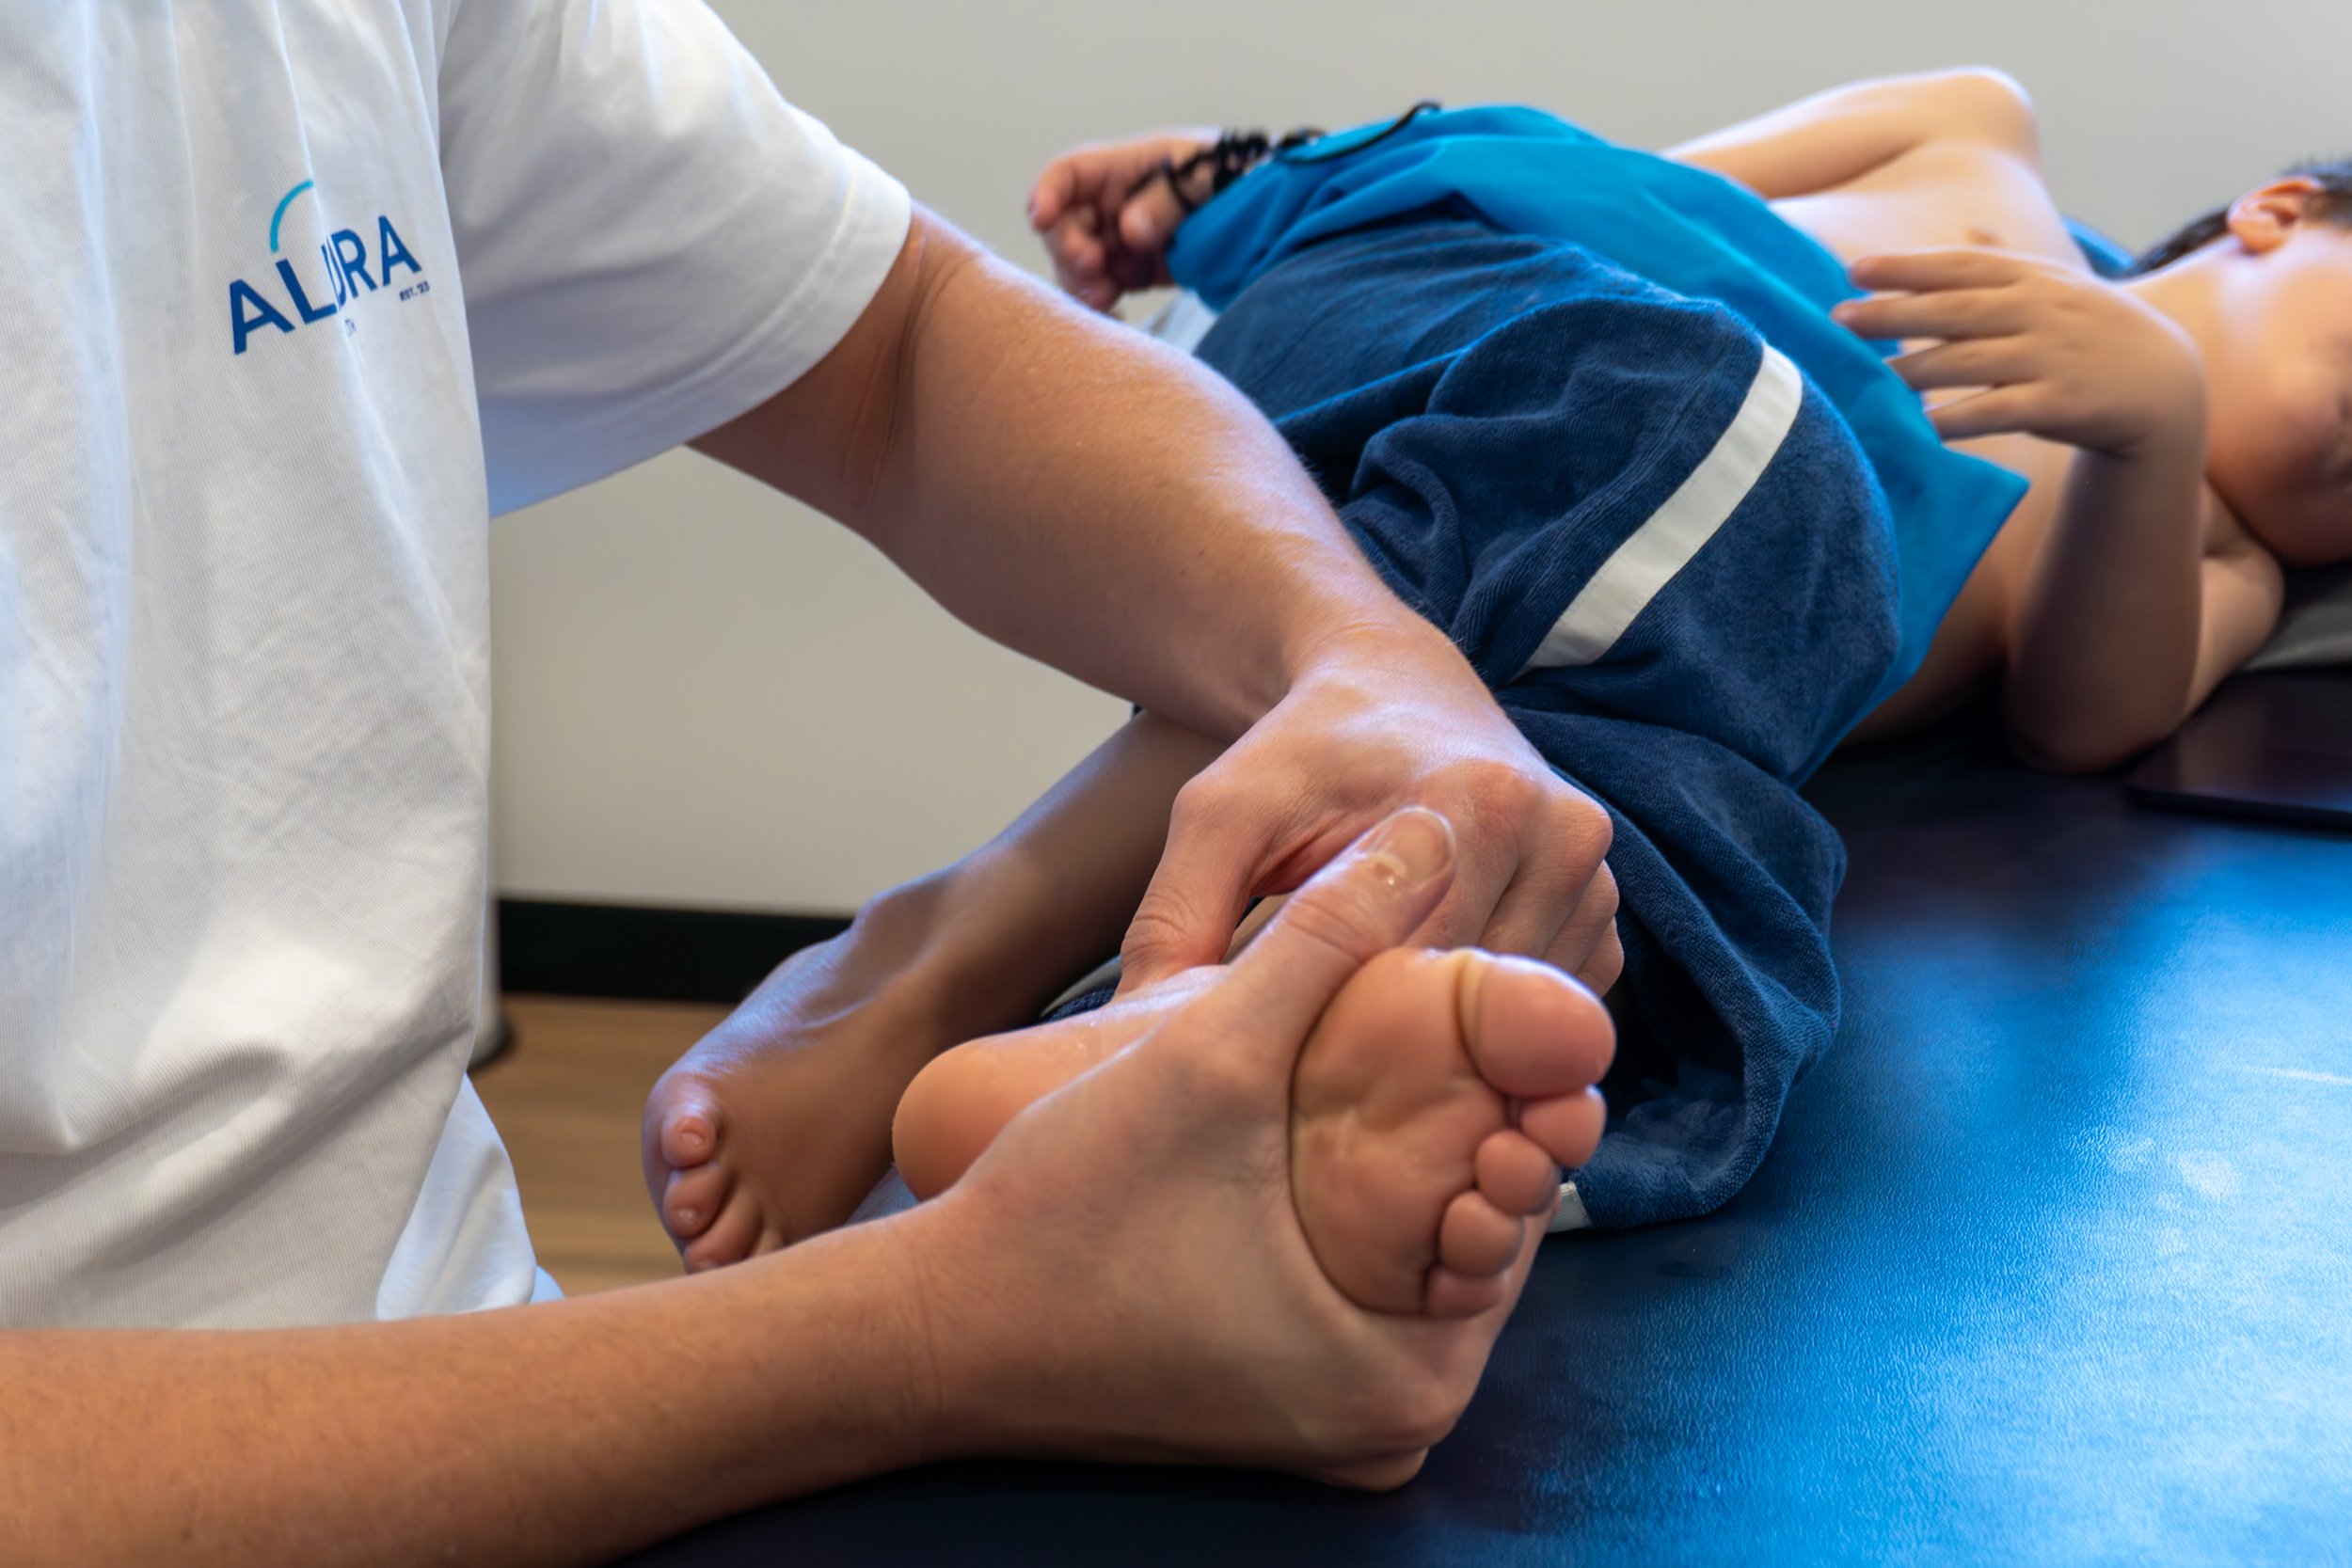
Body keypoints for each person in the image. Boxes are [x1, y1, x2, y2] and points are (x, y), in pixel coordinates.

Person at [0, 1, 1618, 1557]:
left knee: (1601, 518)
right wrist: (940, 1324)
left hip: (489, 1384)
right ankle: (1083, 1031)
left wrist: (1368, 665)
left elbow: (894, 347)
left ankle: (1017, 968)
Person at [643, 68, 2352, 1264]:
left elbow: (2084, 721)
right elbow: (1605, 177)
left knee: (1595, 852)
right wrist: (1240, 177)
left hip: (1570, 622)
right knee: (1724, 418)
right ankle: (953, 946)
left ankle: (1152, 1062)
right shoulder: (1982, 139)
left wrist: (2154, 431)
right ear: (2284, 212)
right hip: (1452, 330)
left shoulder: (2215, 548)